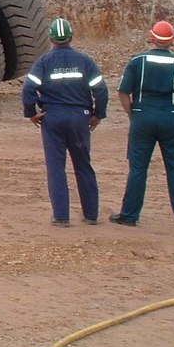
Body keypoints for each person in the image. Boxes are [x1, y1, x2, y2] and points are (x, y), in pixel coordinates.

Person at [22, 18, 109, 226]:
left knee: (56, 167)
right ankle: (91, 215)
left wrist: (31, 113)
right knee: (83, 166)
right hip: (80, 118)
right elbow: (101, 90)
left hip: (53, 118)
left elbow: (28, 89)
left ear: (51, 38)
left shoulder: (43, 62)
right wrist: (98, 114)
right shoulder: (85, 61)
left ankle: (61, 217)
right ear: (71, 37)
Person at [110, 20, 174, 227]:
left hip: (142, 115)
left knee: (138, 168)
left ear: (151, 37)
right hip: (170, 115)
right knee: (173, 168)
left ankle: (129, 215)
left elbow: (123, 91)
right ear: (172, 40)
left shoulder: (137, 61)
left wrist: (133, 115)